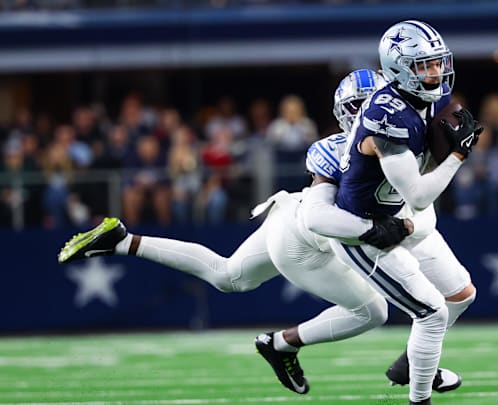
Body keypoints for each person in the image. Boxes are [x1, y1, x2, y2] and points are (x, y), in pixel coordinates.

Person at [57, 69, 460, 396]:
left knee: (226, 275)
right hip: (309, 237)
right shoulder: (346, 150)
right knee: (377, 310)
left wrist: (403, 224)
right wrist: (387, 227)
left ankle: (125, 241)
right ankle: (285, 344)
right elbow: (332, 220)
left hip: (297, 221)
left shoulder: (382, 142)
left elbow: (415, 210)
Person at [328, 20, 481, 405]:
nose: (434, 73)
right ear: (398, 68)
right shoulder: (386, 117)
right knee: (432, 312)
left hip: (399, 215)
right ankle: (419, 399)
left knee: (460, 294)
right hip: (367, 230)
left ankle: (410, 364)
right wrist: (458, 156)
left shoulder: (428, 96)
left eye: (436, 63)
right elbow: (419, 193)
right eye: (423, 66)